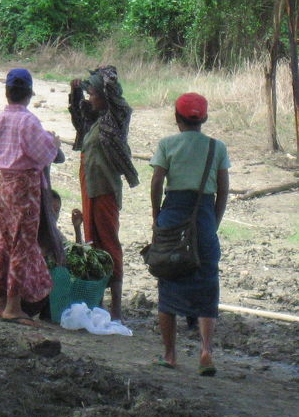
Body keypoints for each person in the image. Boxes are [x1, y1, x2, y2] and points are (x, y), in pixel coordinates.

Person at [150, 92, 230, 375]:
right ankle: (206, 351)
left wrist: (156, 216)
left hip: (172, 217)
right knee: (207, 284)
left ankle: (170, 354)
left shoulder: (167, 145)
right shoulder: (216, 148)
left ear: (176, 118)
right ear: (204, 119)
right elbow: (223, 189)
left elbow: (157, 180)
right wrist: (214, 221)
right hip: (204, 217)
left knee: (168, 281)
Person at [0, 68, 61, 326]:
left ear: (7, 92)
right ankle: (13, 305)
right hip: (24, 186)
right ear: (29, 94)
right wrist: (55, 142)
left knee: (3, 240)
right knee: (21, 243)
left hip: (4, 184)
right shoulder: (28, 122)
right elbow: (44, 153)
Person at [69, 65, 138, 321]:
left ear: (105, 95)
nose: (90, 99)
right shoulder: (94, 121)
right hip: (90, 188)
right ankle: (97, 300)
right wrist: (75, 94)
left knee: (109, 244)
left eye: (93, 94)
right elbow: (78, 116)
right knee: (92, 243)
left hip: (106, 189)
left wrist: (106, 79)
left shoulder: (114, 119)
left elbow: (118, 101)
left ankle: (116, 307)